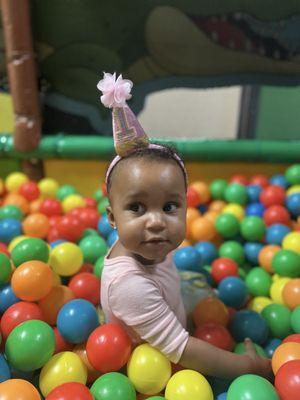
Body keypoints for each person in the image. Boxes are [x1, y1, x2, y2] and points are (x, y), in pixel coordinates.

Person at [98, 72, 272, 379]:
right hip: (153, 370)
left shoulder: (147, 244)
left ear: (186, 206)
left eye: (169, 206)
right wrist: (250, 368)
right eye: (136, 208)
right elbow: (183, 350)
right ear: (112, 217)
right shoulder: (129, 285)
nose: (156, 221)